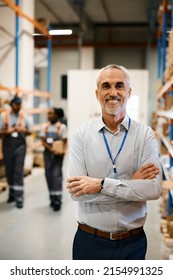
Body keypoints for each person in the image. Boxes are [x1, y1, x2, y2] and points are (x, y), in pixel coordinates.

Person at [66, 64, 162, 260]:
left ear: (129, 91)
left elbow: (153, 190)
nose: (113, 92)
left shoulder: (145, 135)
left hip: (132, 243)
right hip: (89, 241)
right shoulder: (81, 135)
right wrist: (131, 186)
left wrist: (99, 184)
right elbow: (77, 193)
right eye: (106, 86)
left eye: (119, 86)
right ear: (97, 93)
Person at [0, 96, 31, 209]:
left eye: (20, 105)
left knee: (18, 170)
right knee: (9, 169)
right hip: (8, 145)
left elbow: (30, 131)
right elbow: (0, 131)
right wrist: (9, 131)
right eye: (16, 104)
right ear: (12, 105)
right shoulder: (4, 116)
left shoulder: (24, 116)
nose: (18, 107)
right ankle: (12, 194)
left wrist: (24, 130)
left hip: (20, 146)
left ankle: (19, 197)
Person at [40, 107, 67, 211]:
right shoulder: (45, 127)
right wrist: (51, 149)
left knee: (56, 175)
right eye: (48, 113)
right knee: (48, 174)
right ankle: (52, 197)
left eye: (51, 113)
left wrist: (62, 151)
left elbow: (65, 141)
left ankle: (57, 199)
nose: (49, 115)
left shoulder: (62, 127)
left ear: (56, 115)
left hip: (58, 154)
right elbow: (43, 141)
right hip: (48, 153)